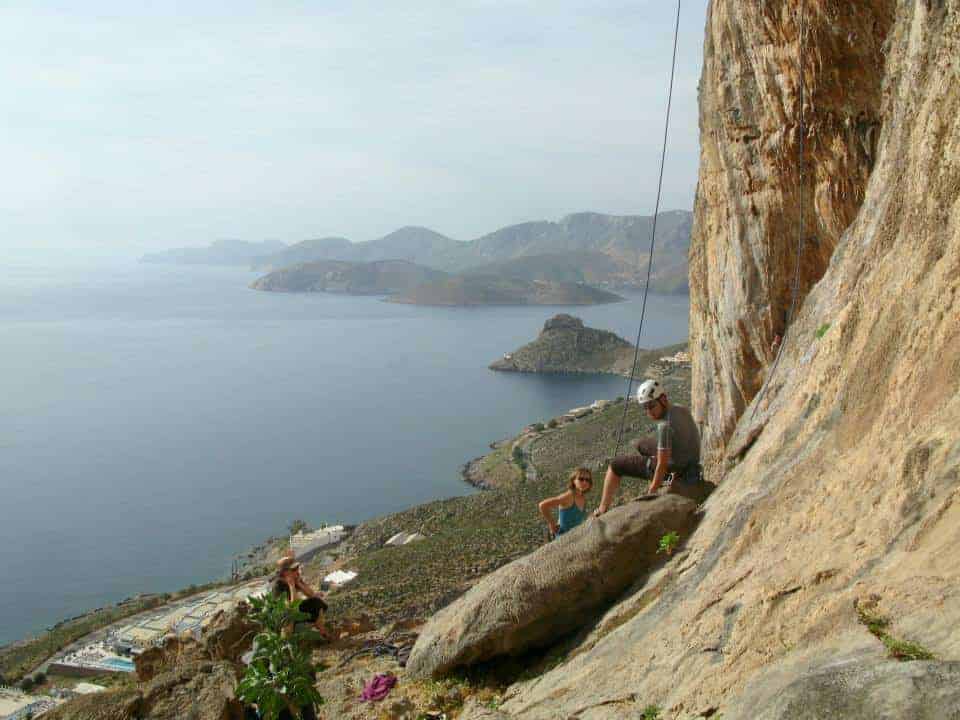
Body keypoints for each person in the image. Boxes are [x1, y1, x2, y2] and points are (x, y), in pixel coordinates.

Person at [594, 379, 703, 516]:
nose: (648, 411)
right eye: (644, 407)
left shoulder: (665, 427)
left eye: (651, 406)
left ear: (663, 399)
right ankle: (653, 463)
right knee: (641, 443)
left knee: (616, 464)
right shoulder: (680, 409)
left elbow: (662, 466)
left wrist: (651, 493)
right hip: (690, 462)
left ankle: (602, 509)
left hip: (677, 468)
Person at [273, 556, 331, 638]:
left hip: (295, 609)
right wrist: (291, 585)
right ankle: (287, 641)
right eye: (293, 569)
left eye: (297, 567)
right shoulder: (278, 586)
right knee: (288, 617)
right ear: (285, 572)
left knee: (317, 602)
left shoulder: (295, 577)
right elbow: (291, 607)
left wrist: (299, 583)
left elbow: (312, 594)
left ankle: (321, 630)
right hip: (285, 615)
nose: (297, 570)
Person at [538, 467, 593, 538]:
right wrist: (552, 524)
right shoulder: (568, 496)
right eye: (581, 479)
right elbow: (542, 505)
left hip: (575, 537)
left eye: (587, 480)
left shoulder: (582, 497)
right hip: (563, 539)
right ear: (574, 481)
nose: (584, 482)